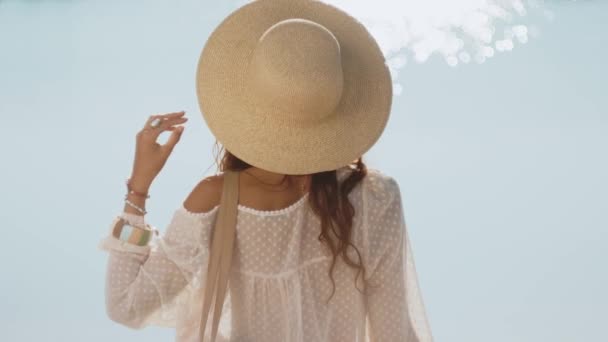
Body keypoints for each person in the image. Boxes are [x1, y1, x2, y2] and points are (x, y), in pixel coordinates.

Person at [97, 0, 434, 341]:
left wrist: (138, 189)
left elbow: (126, 304)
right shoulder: (375, 198)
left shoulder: (214, 200)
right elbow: (394, 332)